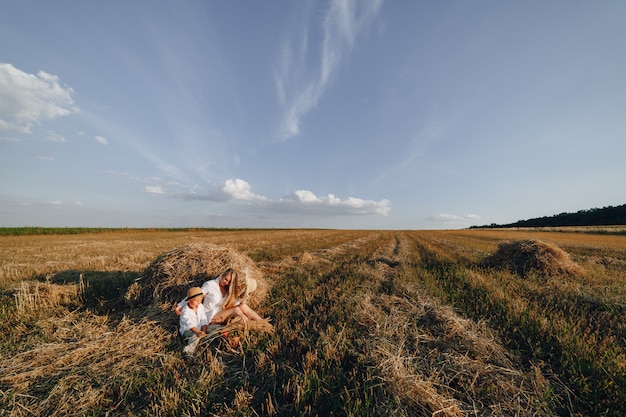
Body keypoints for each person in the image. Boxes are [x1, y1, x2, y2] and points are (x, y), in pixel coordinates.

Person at [175, 268, 263, 325]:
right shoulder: (210, 285)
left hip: (221, 312)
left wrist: (241, 298)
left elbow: (232, 303)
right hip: (209, 315)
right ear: (222, 274)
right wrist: (179, 305)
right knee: (236, 310)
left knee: (243, 306)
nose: (226, 283)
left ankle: (262, 323)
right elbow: (194, 295)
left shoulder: (227, 289)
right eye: (226, 279)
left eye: (229, 282)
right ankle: (251, 327)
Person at [179, 286, 209, 356]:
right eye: (196, 301)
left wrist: (203, 331)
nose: (198, 303)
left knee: (211, 328)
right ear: (189, 301)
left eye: (200, 300)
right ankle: (188, 352)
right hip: (188, 330)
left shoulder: (200, 306)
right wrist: (199, 332)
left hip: (199, 328)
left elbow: (203, 319)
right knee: (194, 336)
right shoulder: (185, 312)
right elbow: (190, 325)